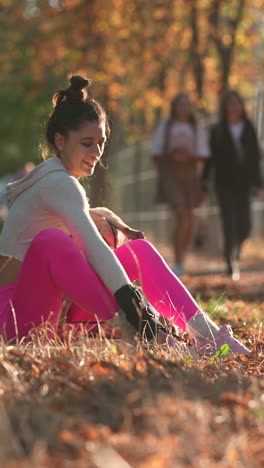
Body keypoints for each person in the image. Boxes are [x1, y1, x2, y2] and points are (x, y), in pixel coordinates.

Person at [0, 75, 250, 356]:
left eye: (101, 142)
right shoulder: (58, 182)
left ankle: (208, 335)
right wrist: (134, 307)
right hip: (14, 321)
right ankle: (147, 331)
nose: (96, 152)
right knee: (51, 241)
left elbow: (86, 221)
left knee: (138, 251)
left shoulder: (57, 178)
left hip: (55, 312)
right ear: (60, 140)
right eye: (86, 143)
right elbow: (93, 247)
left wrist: (105, 216)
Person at [203, 89, 263, 280]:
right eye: (230, 104)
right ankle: (231, 262)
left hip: (244, 184)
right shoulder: (218, 129)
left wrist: (258, 183)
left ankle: (235, 249)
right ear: (225, 107)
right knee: (228, 222)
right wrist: (204, 181)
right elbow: (209, 158)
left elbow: (255, 158)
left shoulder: (248, 127)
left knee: (245, 224)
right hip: (223, 183)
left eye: (237, 103)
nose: (234, 107)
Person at [151, 93, 210, 277]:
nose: (184, 108)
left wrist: (188, 156)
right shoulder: (165, 128)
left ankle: (180, 257)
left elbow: (202, 154)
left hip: (190, 175)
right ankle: (177, 260)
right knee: (182, 215)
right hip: (171, 175)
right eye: (181, 104)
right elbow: (156, 153)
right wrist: (173, 156)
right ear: (174, 107)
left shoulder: (195, 128)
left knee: (189, 220)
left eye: (187, 105)